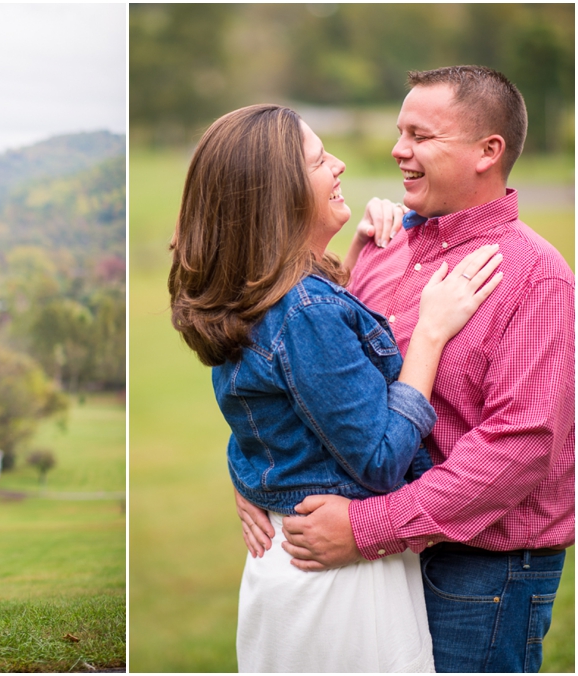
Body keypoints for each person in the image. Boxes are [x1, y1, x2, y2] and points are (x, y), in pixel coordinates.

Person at [236, 66, 575, 673]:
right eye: (399, 131)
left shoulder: (536, 276)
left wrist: (368, 527)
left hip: (479, 571)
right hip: (384, 562)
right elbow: (321, 390)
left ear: (487, 152)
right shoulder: (384, 251)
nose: (398, 150)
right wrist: (256, 473)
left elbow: (521, 447)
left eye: (420, 135)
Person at [169, 102, 504, 672]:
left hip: (292, 568)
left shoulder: (265, 296)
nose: (341, 165)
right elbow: (376, 459)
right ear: (280, 195)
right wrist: (430, 333)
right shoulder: (305, 312)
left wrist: (356, 255)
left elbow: (279, 402)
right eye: (321, 160)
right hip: (340, 585)